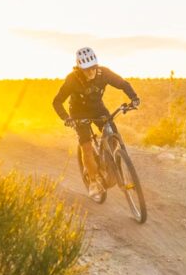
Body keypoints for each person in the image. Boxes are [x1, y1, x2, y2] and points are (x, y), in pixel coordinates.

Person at [52, 47, 139, 192]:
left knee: (113, 137)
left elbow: (122, 84)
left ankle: (112, 166)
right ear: (79, 68)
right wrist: (67, 118)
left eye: (93, 68)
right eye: (87, 70)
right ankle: (93, 182)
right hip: (78, 114)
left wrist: (134, 98)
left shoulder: (103, 73)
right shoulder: (72, 79)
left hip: (98, 109)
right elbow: (57, 102)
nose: (91, 72)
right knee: (86, 147)